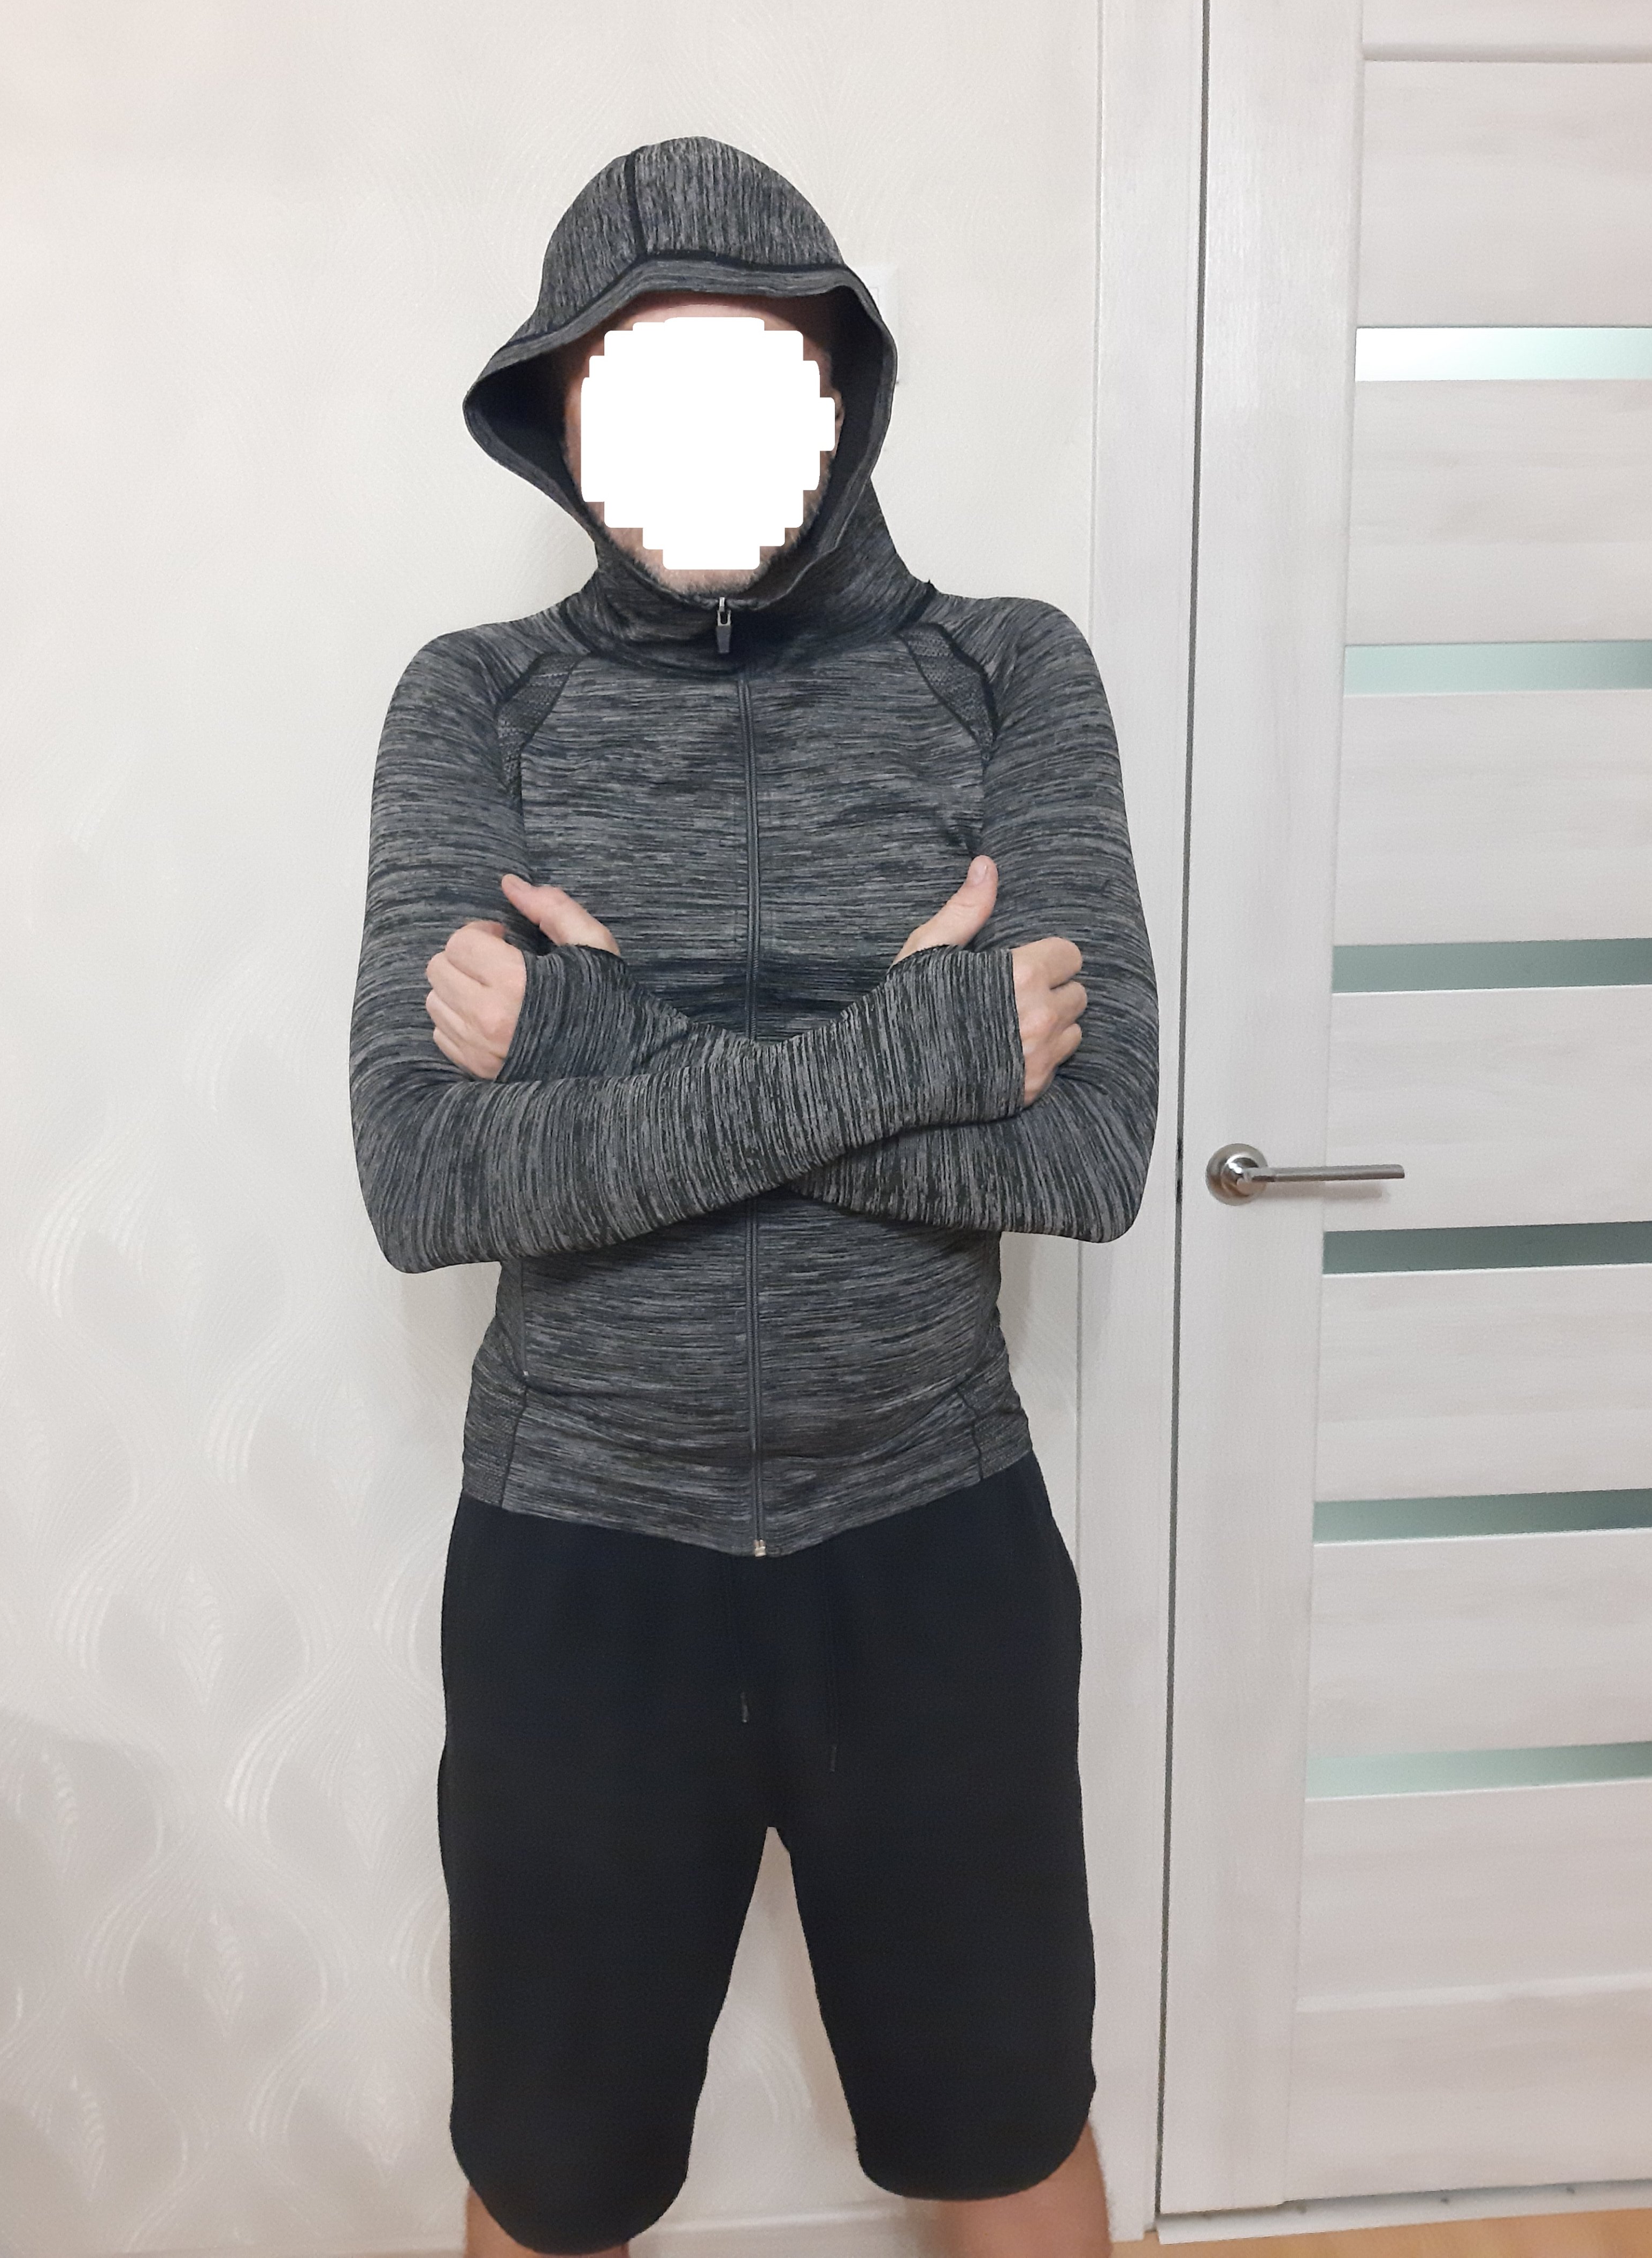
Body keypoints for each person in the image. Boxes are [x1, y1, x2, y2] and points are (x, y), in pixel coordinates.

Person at [349, 136, 1159, 2258]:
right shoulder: (477, 701)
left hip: (932, 1535)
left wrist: (593, 1042)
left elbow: (1090, 1146)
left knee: (1005, 2128)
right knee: (553, 2179)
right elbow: (422, 1174)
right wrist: (916, 1043)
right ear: (560, 420)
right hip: (576, 1560)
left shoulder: (1009, 672)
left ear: (838, 382)